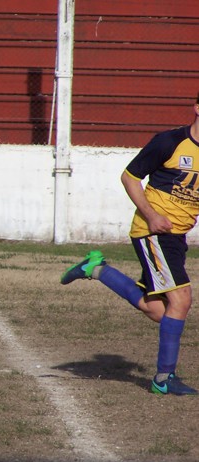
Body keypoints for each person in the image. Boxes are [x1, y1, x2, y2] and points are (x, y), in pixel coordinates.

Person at [61, 94, 199, 396]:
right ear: (197, 108)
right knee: (182, 300)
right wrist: (152, 215)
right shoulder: (169, 142)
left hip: (176, 238)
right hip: (153, 232)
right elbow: (129, 177)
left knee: (161, 311)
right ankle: (164, 378)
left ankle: (96, 269)